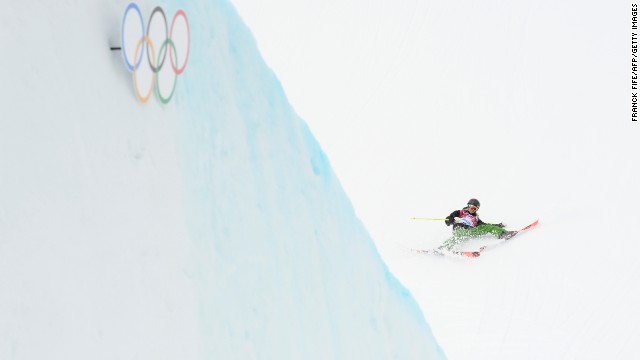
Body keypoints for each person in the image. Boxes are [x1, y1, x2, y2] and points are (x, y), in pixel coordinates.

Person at [438, 198, 514, 251]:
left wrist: (499, 225)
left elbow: (486, 225)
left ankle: (503, 233)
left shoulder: (476, 219)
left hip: (471, 231)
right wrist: (450, 219)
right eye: (471, 207)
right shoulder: (460, 212)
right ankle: (443, 248)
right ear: (468, 206)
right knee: (458, 236)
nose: (472, 209)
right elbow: (448, 220)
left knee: (486, 227)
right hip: (459, 229)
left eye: (475, 209)